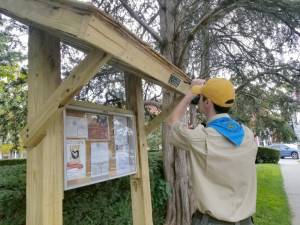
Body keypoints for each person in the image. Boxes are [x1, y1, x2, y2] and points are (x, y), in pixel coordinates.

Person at [167, 78, 257, 225]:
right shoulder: (247, 135)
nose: (199, 100)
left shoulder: (201, 138)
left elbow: (172, 123)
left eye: (201, 97)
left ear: (208, 102)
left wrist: (190, 93)